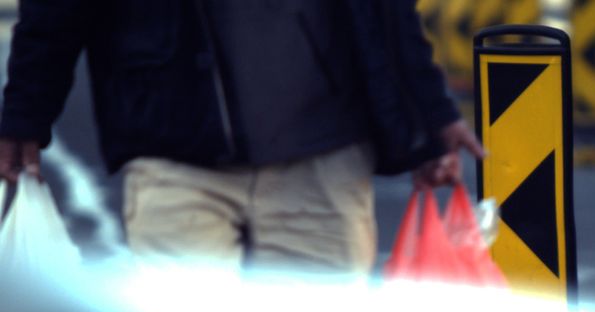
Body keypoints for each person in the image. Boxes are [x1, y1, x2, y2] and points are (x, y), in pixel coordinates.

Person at [0, 0, 483, 274]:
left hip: (323, 158)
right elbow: (56, 9)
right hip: (175, 152)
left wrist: (430, 117)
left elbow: (385, 13)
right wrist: (24, 114)